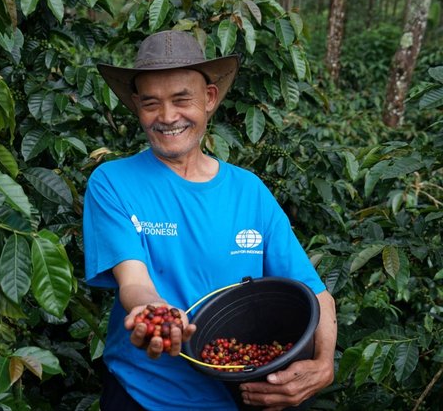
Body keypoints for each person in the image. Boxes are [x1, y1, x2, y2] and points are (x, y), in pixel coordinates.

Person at [83, 30, 337, 411]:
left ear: (210, 99)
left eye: (182, 100)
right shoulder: (112, 182)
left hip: (240, 395)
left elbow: (313, 291)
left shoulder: (249, 191)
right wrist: (158, 314)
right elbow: (134, 281)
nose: (167, 117)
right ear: (136, 106)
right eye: (151, 103)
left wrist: (323, 365)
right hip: (142, 396)